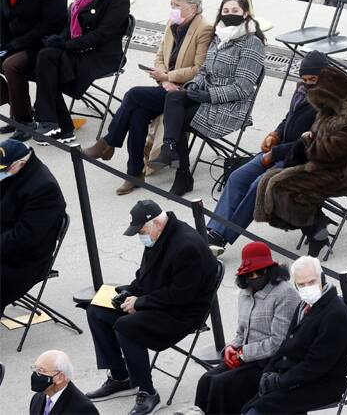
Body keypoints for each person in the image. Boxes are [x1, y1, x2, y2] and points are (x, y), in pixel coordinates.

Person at [84, 200, 219, 415]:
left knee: (126, 326)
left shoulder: (187, 246)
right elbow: (145, 275)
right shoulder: (159, 235)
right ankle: (121, 377)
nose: (140, 236)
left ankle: (147, 392)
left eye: (142, 231)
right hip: (159, 301)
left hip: (182, 313)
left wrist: (141, 302)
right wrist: (129, 292)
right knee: (97, 311)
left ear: (156, 223)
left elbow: (181, 295)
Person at [84, 0, 213, 193]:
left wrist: (168, 77)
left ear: (193, 7)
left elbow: (199, 69)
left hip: (185, 93)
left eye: (177, 5)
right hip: (166, 87)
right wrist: (163, 80)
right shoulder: (173, 22)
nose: (172, 9)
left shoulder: (204, 29)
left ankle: (109, 142)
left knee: (133, 95)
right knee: (137, 115)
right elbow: (160, 56)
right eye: (171, 4)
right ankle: (134, 173)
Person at [206, 51, 327, 254]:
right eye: (304, 79)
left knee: (259, 185)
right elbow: (289, 118)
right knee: (237, 177)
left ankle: (222, 237)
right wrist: (276, 134)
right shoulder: (302, 92)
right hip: (283, 151)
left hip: (303, 160)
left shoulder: (330, 104)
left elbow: (312, 143)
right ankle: (214, 229)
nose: (307, 84)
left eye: (313, 80)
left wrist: (275, 153)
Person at [148, 0, 265, 195]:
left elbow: (243, 88)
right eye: (225, 11)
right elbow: (204, 71)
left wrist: (209, 95)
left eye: (235, 11)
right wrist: (194, 84)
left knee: (180, 120)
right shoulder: (219, 35)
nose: (229, 15)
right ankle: (169, 148)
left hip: (230, 107)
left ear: (245, 13)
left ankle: (182, 174)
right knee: (174, 97)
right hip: (206, 96)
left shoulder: (251, 43)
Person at [254, 67, 347, 256]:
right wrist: (309, 140)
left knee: (285, 187)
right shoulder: (328, 113)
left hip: (344, 173)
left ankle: (316, 232)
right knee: (270, 179)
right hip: (324, 166)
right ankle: (317, 226)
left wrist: (308, 141)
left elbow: (331, 153)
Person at [30, 0, 130, 145]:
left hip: (103, 55)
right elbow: (73, 22)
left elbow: (102, 35)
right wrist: (61, 38)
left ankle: (57, 125)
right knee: (45, 56)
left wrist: (67, 45)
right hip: (81, 48)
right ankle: (55, 124)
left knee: (51, 72)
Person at [193, 243, 300, 415]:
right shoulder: (245, 293)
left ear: (271, 269)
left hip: (270, 363)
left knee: (222, 385)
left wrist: (242, 354)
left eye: (261, 271)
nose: (255, 276)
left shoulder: (285, 294)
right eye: (250, 273)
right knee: (206, 380)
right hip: (246, 358)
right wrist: (231, 347)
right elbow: (242, 332)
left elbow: (278, 341)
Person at [241, 256, 347, 414]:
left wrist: (279, 382)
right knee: (242, 393)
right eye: (301, 285)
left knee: (257, 410)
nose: (307, 287)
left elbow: (316, 365)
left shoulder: (335, 314)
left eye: (311, 282)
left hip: (323, 383)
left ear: (322, 279)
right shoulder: (304, 305)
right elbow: (286, 345)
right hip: (297, 375)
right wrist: (268, 372)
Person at [0, 0, 68, 137]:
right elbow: (2, 20)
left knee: (10, 65)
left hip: (42, 46)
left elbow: (49, 26)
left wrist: (14, 46)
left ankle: (24, 120)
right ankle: (18, 107)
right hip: (17, 43)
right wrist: (3, 44)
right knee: (4, 59)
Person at [0, 138, 65, 309]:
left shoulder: (43, 188)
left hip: (24, 261)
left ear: (20, 164)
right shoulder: (13, 172)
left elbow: (25, 238)